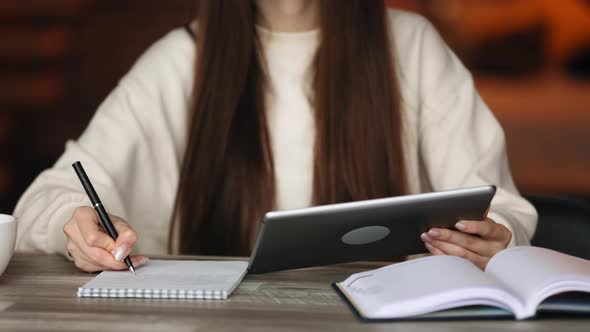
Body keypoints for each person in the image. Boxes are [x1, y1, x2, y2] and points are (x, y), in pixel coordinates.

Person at [13, 0, 537, 273]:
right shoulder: (181, 59)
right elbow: (49, 199)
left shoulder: (413, 47)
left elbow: (502, 207)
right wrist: (75, 227)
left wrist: (498, 235)